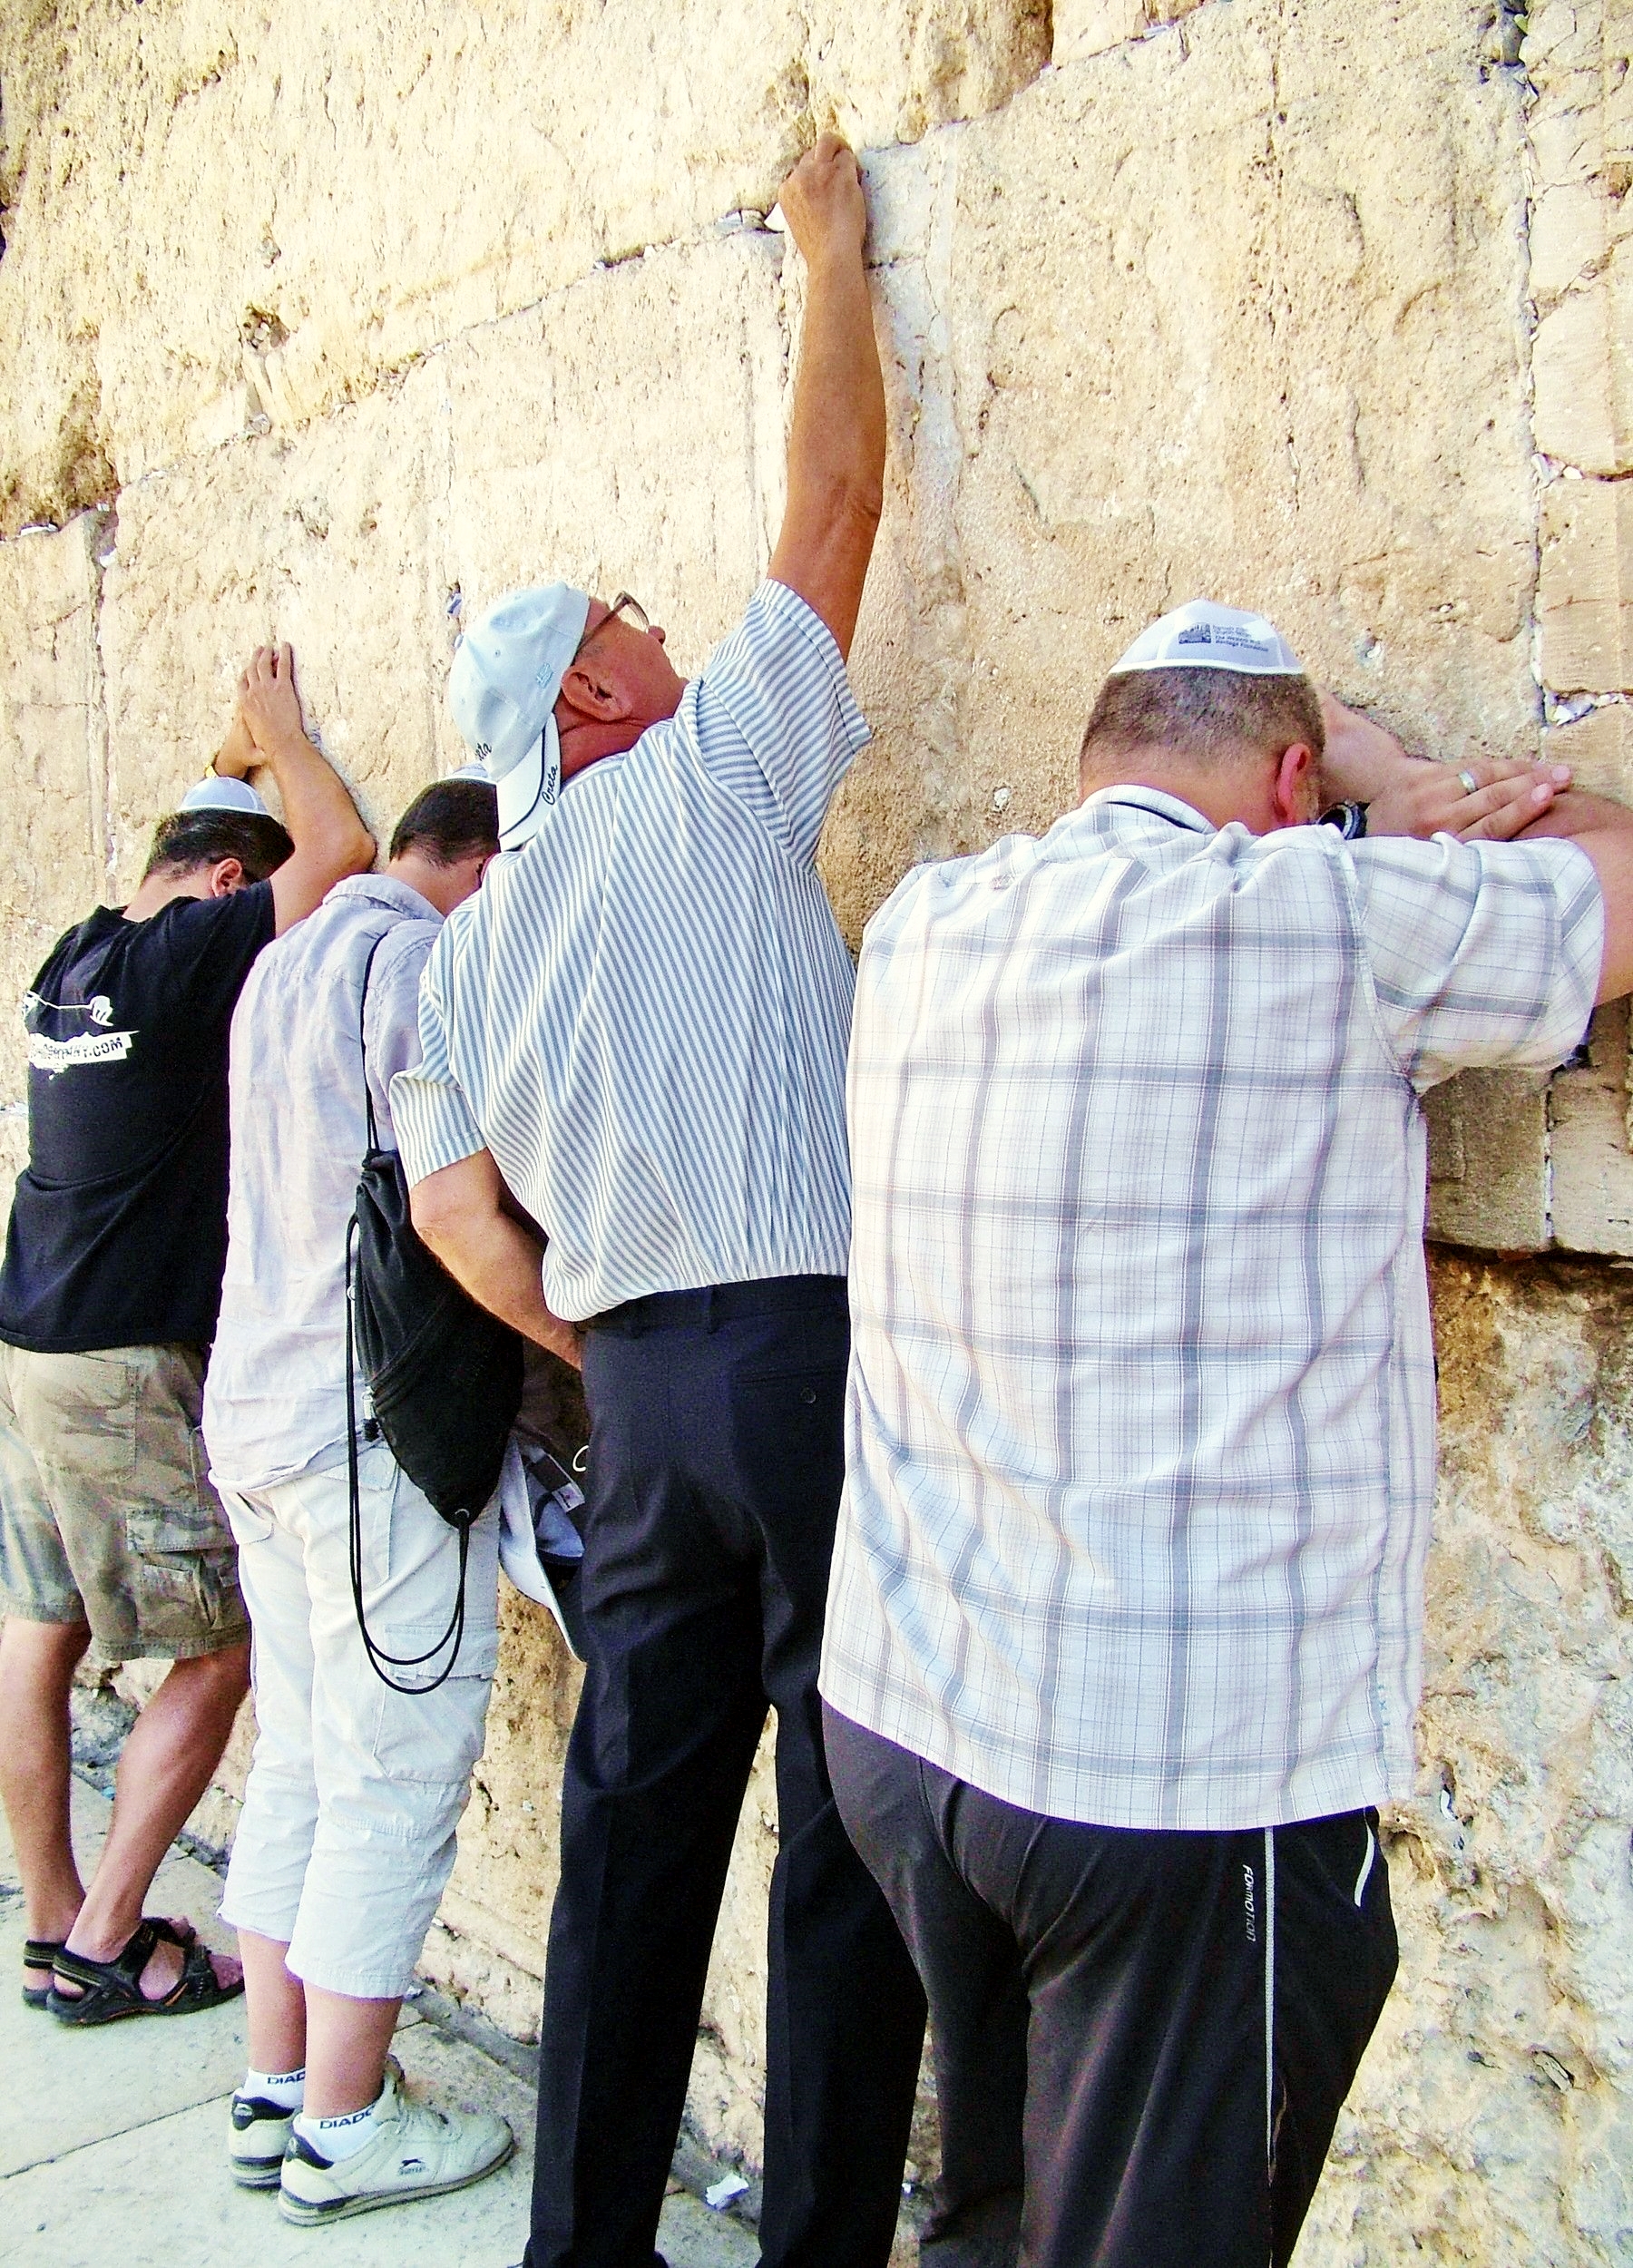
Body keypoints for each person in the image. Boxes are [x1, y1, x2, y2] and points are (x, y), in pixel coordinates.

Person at [818, 598, 1633, 2268]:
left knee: (1001, 2210)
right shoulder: (1323, 918)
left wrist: (1334, 804)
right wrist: (1394, 778)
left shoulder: (923, 921)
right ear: (1287, 777)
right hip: (1165, 1785)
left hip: (907, 1727)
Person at [391, 134, 926, 2268]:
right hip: (803, 1343)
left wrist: (604, 1329)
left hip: (631, 1379)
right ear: (601, 697)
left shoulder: (467, 940)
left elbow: (449, 1214)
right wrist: (832, 252)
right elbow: (838, 508)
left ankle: (582, 2246)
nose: (661, 619)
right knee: (836, 1826)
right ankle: (814, 2247)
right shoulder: (709, 775)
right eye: (633, 611)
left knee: (630, 1825)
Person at [0, 644, 373, 2025]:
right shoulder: (176, 965)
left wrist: (236, 748)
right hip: (117, 1360)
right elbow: (338, 851)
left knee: (37, 1626)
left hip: (30, 1331)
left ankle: (50, 1919)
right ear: (226, 890)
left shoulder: (77, 956)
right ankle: (104, 1941)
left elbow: (210, 831)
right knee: (218, 1647)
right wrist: (287, 731)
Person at [200, 778, 520, 2224]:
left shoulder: (284, 961)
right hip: (363, 1433)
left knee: (303, 1764)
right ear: (478, 867)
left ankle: (277, 2088)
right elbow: (457, 1197)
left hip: (255, 1416)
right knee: (394, 1772)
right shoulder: (422, 964)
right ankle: (347, 2124)